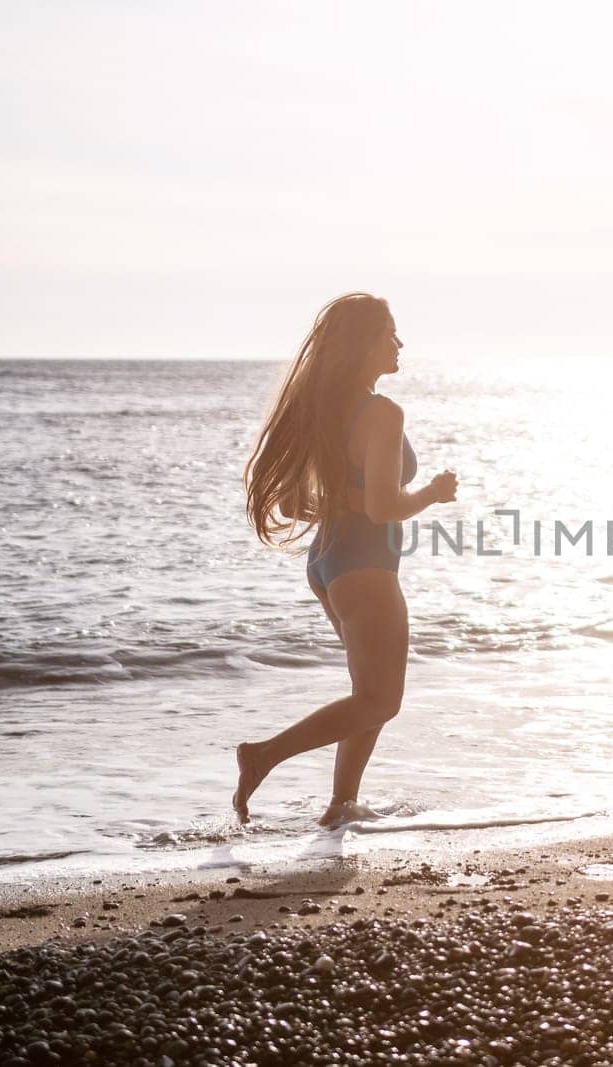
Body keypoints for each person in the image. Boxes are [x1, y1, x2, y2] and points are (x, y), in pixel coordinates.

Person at [236, 292, 457, 828]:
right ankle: (263, 754)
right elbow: (385, 507)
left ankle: (342, 805)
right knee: (382, 700)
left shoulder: (322, 412)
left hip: (328, 563)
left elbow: (294, 504)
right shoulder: (382, 412)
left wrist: (349, 500)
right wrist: (432, 492)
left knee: (369, 694)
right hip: (365, 563)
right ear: (364, 343)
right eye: (390, 332)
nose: (399, 343)